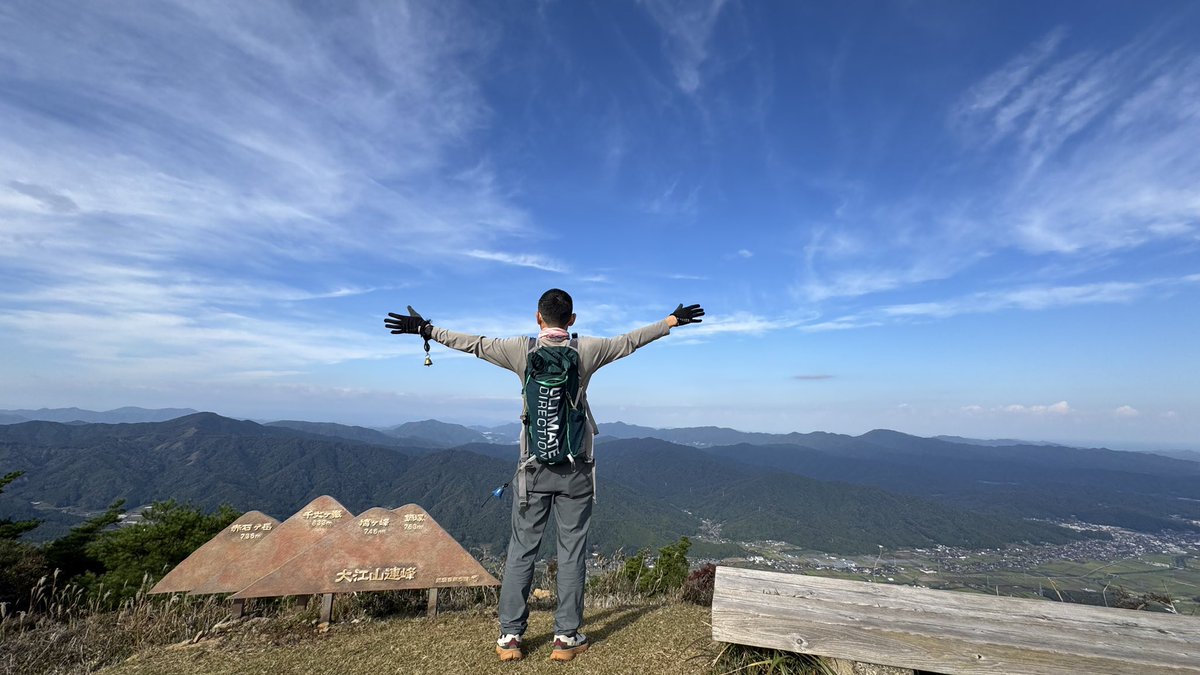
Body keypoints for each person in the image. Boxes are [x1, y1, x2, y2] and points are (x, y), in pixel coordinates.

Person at [385, 289, 704, 662]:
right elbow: (629, 342)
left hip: (532, 469)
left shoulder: (521, 350)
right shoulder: (587, 350)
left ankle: (509, 638)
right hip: (576, 471)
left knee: (522, 552)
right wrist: (670, 321)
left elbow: (472, 344)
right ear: (572, 320)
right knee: (571, 554)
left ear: (538, 318)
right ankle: (566, 638)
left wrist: (425, 328)